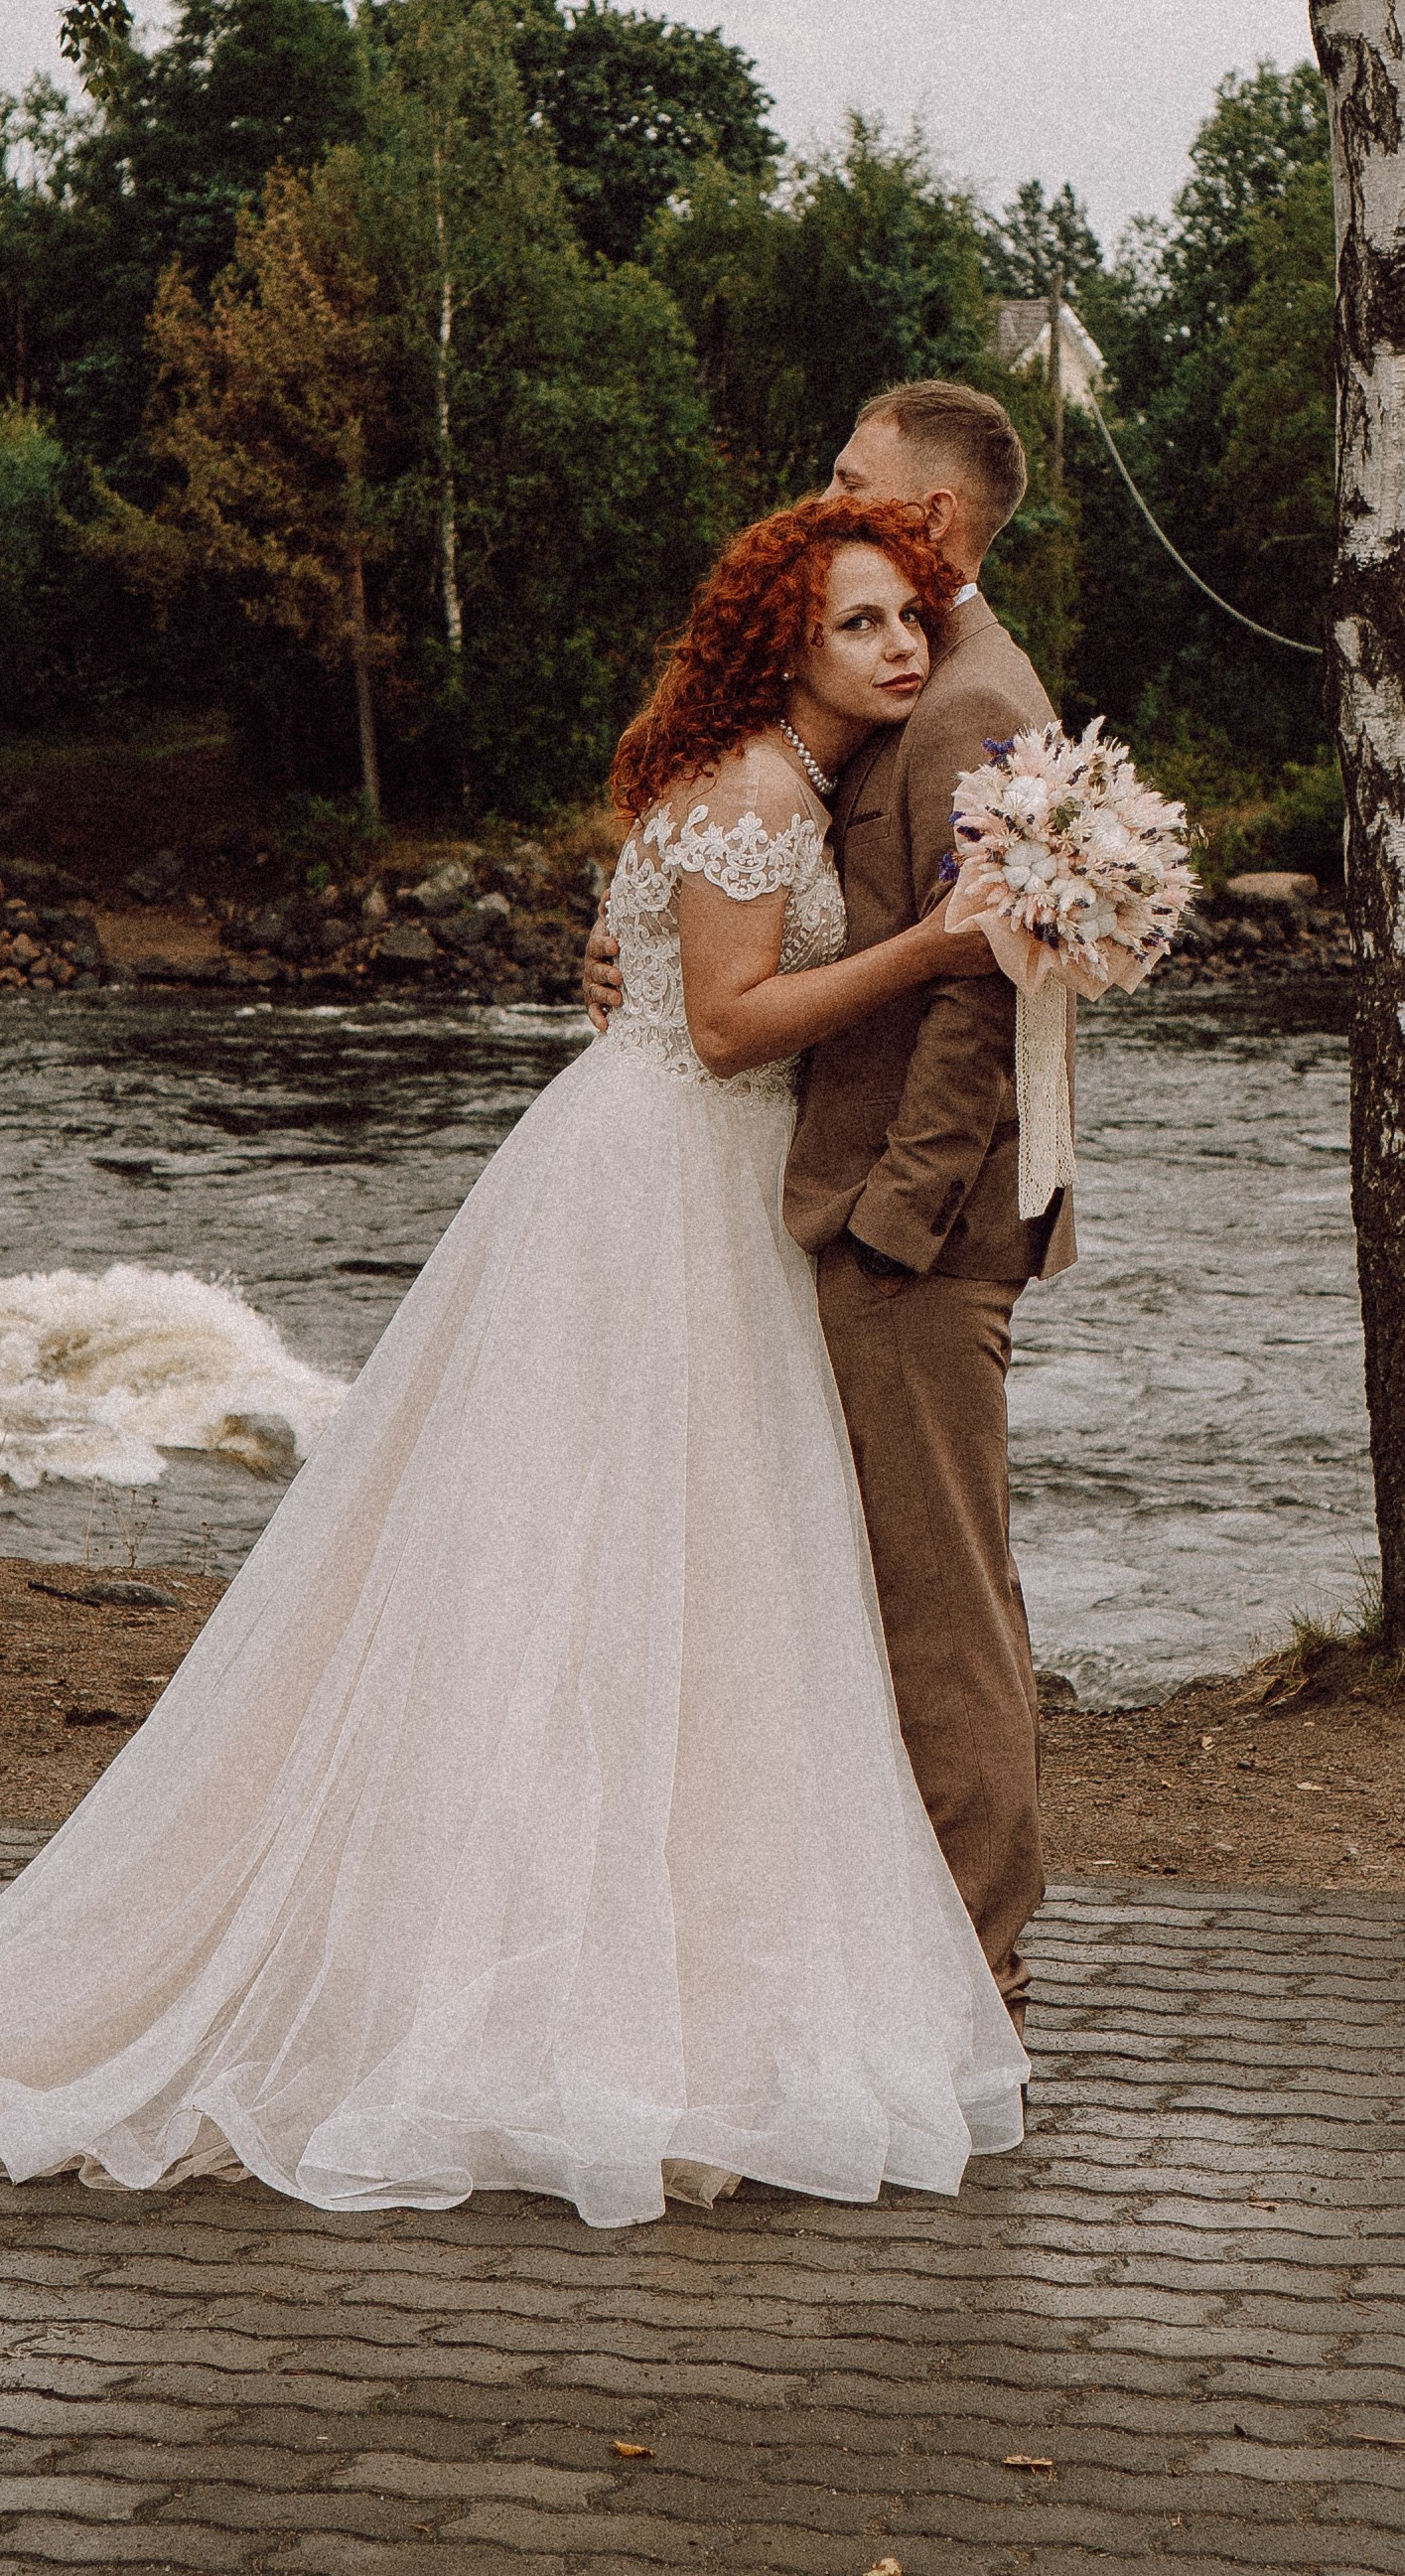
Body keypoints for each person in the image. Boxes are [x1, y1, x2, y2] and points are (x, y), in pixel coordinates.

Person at [0, 500, 1029, 2229]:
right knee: (619, 1564)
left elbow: (659, 985)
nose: (899, 647)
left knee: (655, 1575)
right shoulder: (766, 793)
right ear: (788, 643)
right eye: (860, 623)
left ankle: (637, 1949)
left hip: (660, 1177)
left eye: (909, 618)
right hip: (659, 1194)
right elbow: (715, 1023)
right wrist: (931, 945)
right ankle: (567, 1982)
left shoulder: (775, 778)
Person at [586, 379, 1072, 2025]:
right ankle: (898, 1945)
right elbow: (771, 900)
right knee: (852, 1583)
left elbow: (984, 997)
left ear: (930, 521)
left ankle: (976, 1968)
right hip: (802, 1190)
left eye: (851, 477)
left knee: (942, 1608)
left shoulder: (966, 706)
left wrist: (894, 1221)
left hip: (905, 1229)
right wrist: (642, 945)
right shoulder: (900, 691)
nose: (823, 493)